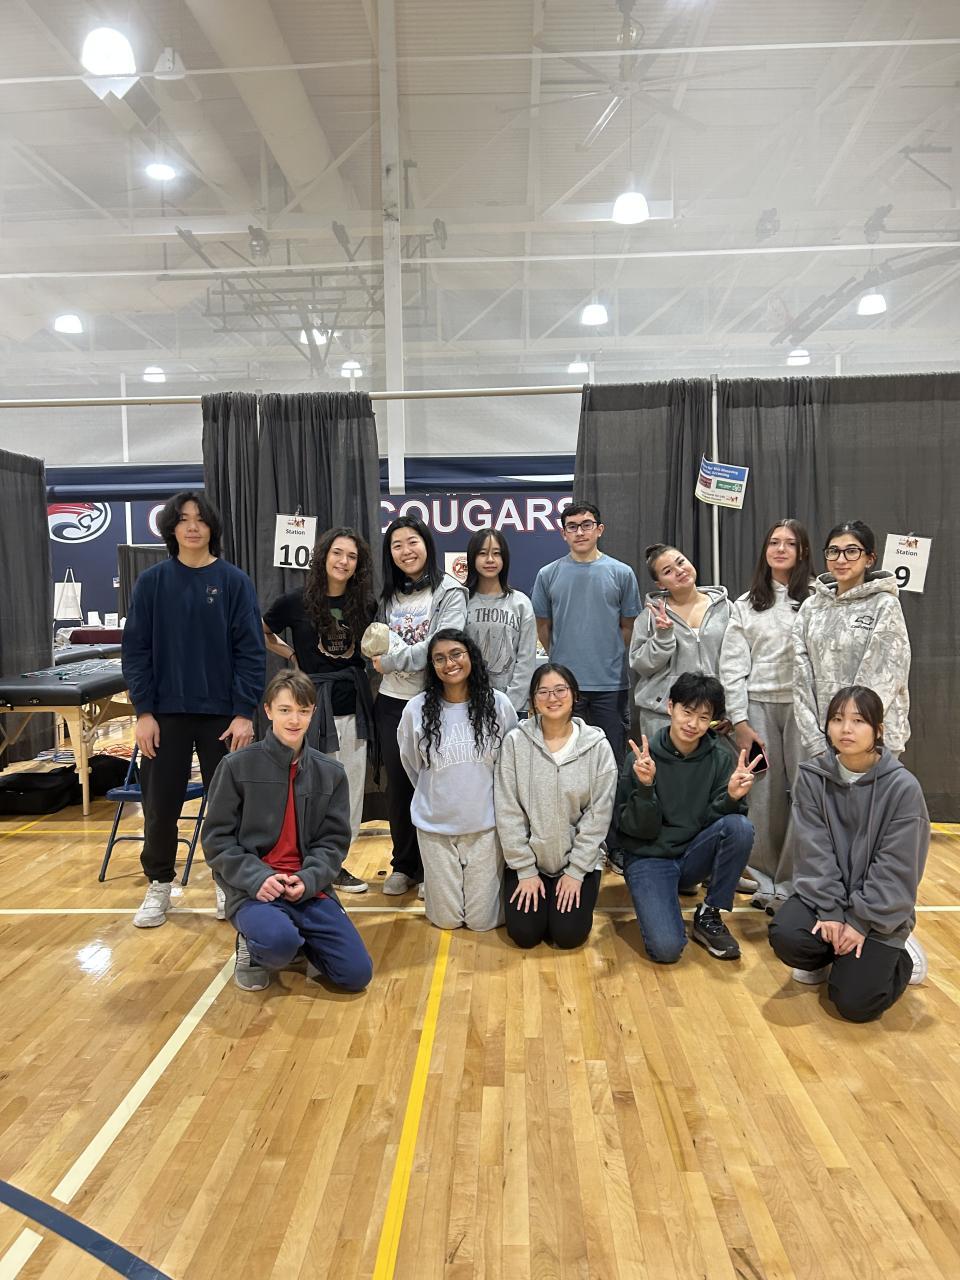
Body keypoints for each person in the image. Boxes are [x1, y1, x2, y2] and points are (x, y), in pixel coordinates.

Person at [122, 490, 265, 928]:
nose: (192, 526)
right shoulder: (152, 582)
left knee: (229, 807)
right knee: (160, 805)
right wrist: (144, 712)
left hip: (223, 716)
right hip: (164, 716)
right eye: (183, 519)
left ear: (211, 528)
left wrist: (244, 712)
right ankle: (159, 884)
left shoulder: (234, 582)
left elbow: (251, 651)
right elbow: (136, 651)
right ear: (172, 528)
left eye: (200, 519)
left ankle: (228, 882)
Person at [202, 670, 372, 993]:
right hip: (254, 889)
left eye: (303, 711)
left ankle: (298, 938)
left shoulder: (331, 773)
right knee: (278, 944)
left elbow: (333, 843)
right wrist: (257, 877)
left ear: (313, 712)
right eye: (285, 710)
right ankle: (255, 944)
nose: (294, 720)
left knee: (355, 975)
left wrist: (309, 878)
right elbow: (216, 840)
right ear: (268, 711)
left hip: (305, 888)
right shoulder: (236, 766)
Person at [768, 686, 928, 1022]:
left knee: (856, 1004)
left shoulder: (903, 788)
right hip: (829, 900)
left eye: (858, 721)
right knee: (788, 936)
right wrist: (829, 911)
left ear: (878, 730)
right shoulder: (812, 776)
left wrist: (859, 921)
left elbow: (896, 868)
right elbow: (813, 851)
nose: (846, 729)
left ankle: (901, 957)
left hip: (878, 912)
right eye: (838, 719)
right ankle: (829, 957)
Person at [262, 527, 376, 893]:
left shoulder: (365, 604)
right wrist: (291, 653)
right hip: (310, 708)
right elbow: (261, 630)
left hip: (353, 706)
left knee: (350, 788)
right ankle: (306, 861)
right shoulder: (295, 601)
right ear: (324, 556)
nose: (343, 561)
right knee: (310, 787)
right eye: (337, 553)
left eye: (352, 556)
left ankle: (335, 863)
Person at [615, 672, 758, 963]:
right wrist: (646, 788)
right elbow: (635, 831)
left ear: (712, 721)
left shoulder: (719, 758)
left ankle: (710, 912)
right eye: (687, 712)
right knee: (666, 950)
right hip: (649, 856)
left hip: (692, 854)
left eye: (704, 717)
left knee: (740, 827)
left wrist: (731, 798)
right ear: (670, 707)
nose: (693, 724)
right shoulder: (642, 759)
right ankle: (664, 893)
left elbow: (718, 825)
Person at [531, 502, 640, 859]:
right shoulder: (548, 574)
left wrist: (605, 654)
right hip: (564, 691)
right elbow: (543, 626)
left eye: (587, 524)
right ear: (563, 532)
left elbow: (628, 626)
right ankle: (570, 844)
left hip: (611, 686)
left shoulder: (621, 573)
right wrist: (564, 660)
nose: (580, 531)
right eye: (572, 526)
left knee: (612, 768)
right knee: (566, 767)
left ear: (599, 529)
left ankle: (614, 843)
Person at [719, 519, 813, 911]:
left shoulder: (817, 599)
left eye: (790, 543)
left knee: (806, 794)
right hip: (757, 707)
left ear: (802, 551)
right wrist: (740, 721)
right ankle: (766, 881)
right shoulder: (747, 604)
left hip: (804, 708)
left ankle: (795, 881)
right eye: (774, 542)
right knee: (763, 797)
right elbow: (732, 666)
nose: (780, 549)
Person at [371, 516, 468, 896]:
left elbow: (441, 645)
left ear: (427, 545)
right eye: (397, 545)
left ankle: (434, 869)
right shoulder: (388, 597)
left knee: (435, 785)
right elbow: (373, 644)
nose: (406, 551)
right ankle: (404, 865)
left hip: (434, 701)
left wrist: (392, 660)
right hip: (392, 702)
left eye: (412, 542)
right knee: (398, 788)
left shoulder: (450, 591)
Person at [397, 629, 517, 931]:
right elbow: (411, 764)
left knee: (482, 922)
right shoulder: (416, 710)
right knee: (446, 921)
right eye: (439, 658)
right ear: (432, 666)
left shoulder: (498, 705)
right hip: (435, 828)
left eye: (455, 654)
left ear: (470, 657)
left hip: (486, 827)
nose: (449, 663)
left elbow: (511, 763)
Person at [496, 663, 617, 949]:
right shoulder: (515, 742)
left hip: (577, 862)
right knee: (525, 935)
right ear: (533, 700)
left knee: (568, 935)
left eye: (560, 690)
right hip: (529, 861)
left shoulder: (597, 746)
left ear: (574, 695)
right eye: (544, 692)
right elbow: (507, 810)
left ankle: (567, 891)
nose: (553, 698)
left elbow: (598, 816)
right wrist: (525, 869)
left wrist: (576, 872)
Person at [794, 520, 911, 761]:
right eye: (833, 551)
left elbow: (884, 674)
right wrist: (816, 737)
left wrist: (853, 728)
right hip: (825, 738)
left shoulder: (884, 605)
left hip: (875, 738)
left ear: (869, 559)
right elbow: (800, 675)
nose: (841, 559)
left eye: (851, 551)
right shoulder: (811, 607)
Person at [630, 543, 731, 742]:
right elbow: (641, 665)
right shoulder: (650, 616)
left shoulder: (726, 609)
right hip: (662, 716)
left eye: (681, 562)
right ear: (660, 583)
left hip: (713, 715)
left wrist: (732, 710)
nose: (679, 571)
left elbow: (738, 662)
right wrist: (663, 636)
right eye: (668, 571)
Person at [464, 528, 537, 715]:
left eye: (496, 553)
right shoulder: (461, 601)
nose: (490, 560)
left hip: (512, 707)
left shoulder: (520, 603)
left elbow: (526, 659)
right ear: (472, 558)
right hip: (468, 705)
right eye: (483, 553)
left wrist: (510, 704)